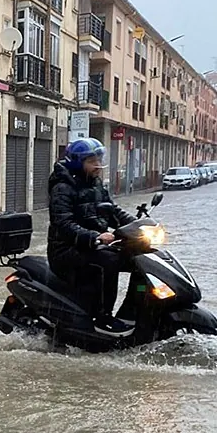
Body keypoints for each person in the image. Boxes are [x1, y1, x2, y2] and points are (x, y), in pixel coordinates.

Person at [47, 138, 137, 336]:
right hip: (65, 251)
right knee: (109, 260)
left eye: (99, 159)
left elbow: (113, 212)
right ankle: (102, 318)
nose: (98, 164)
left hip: (91, 246)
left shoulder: (96, 184)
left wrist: (138, 225)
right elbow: (63, 224)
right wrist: (96, 236)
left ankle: (134, 311)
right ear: (78, 163)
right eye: (92, 161)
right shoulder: (62, 188)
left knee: (137, 258)